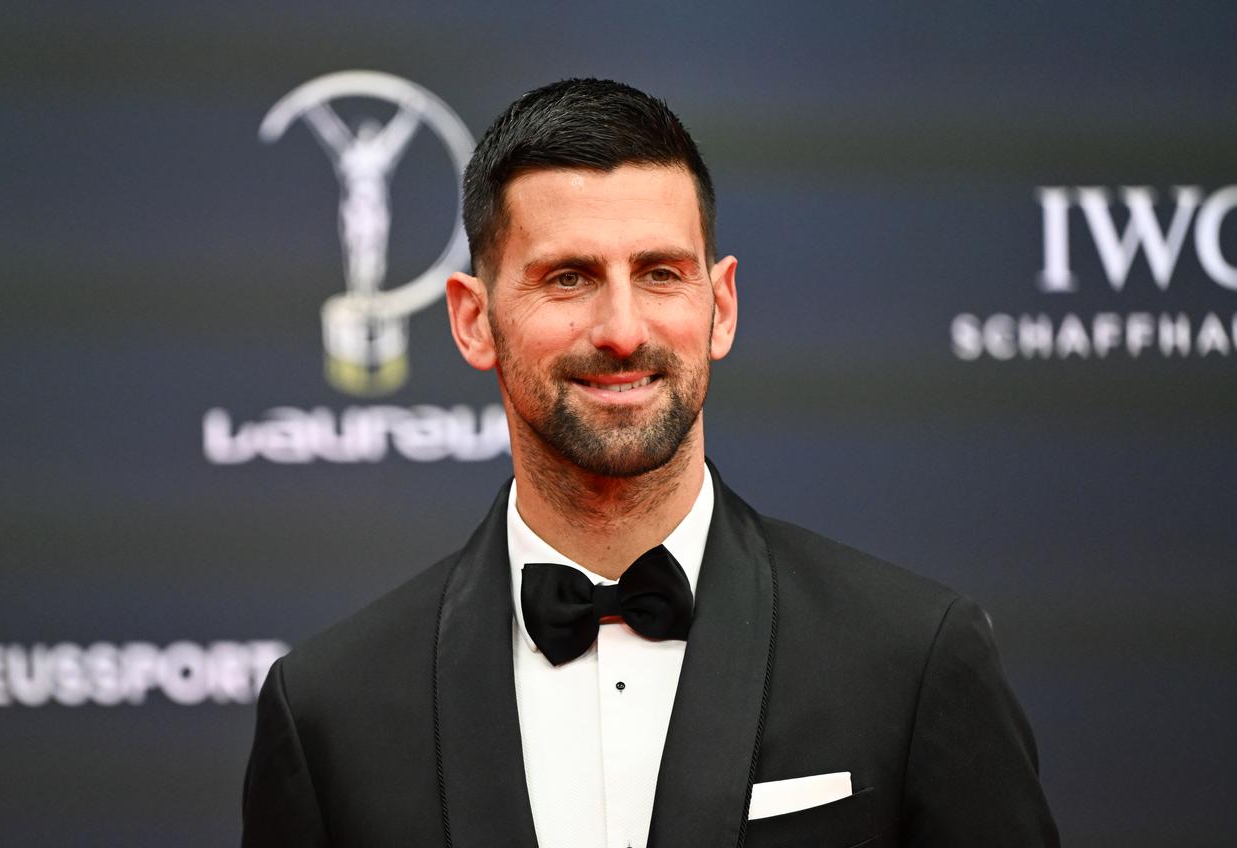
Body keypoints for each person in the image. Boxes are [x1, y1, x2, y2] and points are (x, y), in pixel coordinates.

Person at [241, 78, 1059, 848]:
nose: (623, 330)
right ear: (473, 320)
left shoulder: (909, 656)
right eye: (569, 278)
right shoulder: (330, 713)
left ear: (721, 306)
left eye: (661, 274)